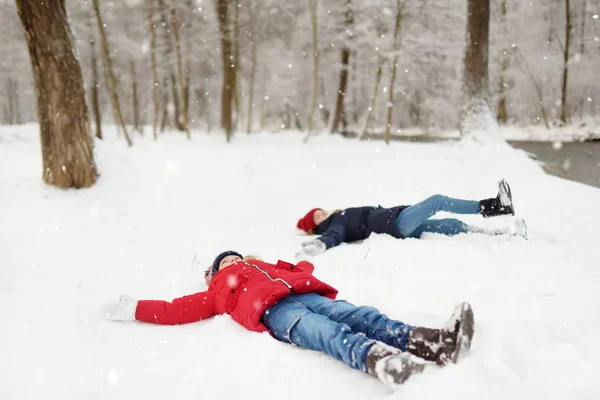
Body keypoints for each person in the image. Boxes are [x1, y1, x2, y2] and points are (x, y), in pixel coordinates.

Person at [107, 251, 475, 388]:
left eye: (234, 257)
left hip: (304, 294)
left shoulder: (263, 266)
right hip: (277, 312)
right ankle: (383, 362)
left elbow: (300, 268)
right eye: (224, 262)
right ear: (215, 272)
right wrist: (136, 308)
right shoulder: (218, 290)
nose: (231, 262)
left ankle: (436, 342)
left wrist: (298, 259)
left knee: (360, 314)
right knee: (327, 333)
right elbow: (175, 309)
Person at [297, 179, 527, 256]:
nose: (322, 213)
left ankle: (503, 234)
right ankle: (497, 206)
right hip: (393, 223)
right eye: (316, 217)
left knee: (451, 226)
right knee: (437, 201)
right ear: (315, 227)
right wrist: (321, 243)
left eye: (320, 210)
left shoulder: (339, 216)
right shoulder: (335, 224)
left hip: (397, 226)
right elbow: (335, 236)